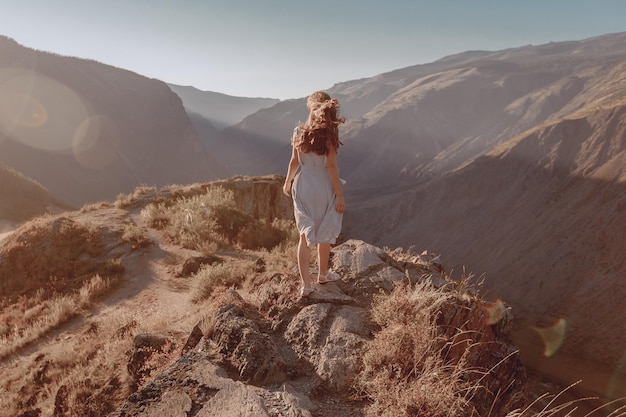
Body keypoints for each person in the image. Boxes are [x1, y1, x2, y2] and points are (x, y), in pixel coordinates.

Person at [283, 91, 346, 297]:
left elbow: (294, 161)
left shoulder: (298, 131)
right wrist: (340, 196)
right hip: (323, 185)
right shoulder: (329, 133)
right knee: (325, 230)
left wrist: (288, 181)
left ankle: (306, 285)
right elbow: (332, 167)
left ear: (310, 107)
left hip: (303, 184)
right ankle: (322, 274)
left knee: (305, 233)